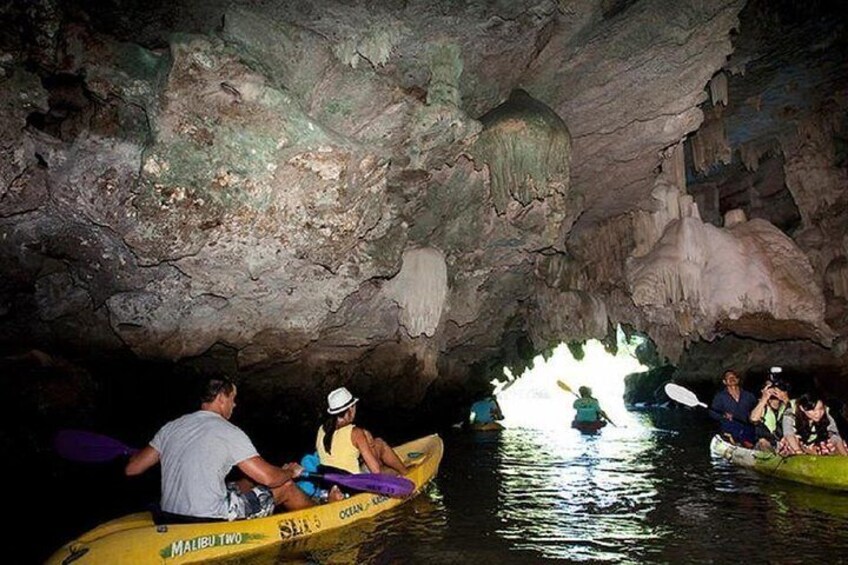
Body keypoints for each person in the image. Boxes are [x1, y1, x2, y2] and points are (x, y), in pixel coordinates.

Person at [125, 376, 314, 522]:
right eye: (233, 398)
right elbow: (270, 479)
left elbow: (132, 468)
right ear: (222, 397)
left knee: (247, 481)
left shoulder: (172, 427)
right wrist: (289, 471)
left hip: (170, 514)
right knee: (285, 486)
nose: (235, 404)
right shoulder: (228, 431)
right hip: (208, 519)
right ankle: (322, 515)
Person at [316, 387, 408, 480]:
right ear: (351, 409)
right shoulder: (355, 433)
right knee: (380, 445)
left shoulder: (322, 429)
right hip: (355, 483)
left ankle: (399, 470)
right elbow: (376, 471)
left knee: (375, 445)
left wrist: (364, 434)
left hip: (332, 482)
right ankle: (406, 473)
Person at [780, 393, 848, 456]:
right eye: (813, 410)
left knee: (839, 444)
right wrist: (799, 452)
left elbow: (835, 435)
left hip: (814, 444)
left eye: (820, 408)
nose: (818, 413)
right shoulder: (790, 413)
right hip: (797, 443)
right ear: (802, 408)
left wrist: (845, 455)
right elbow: (788, 434)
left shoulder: (826, 414)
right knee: (789, 443)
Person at [710, 369, 757, 447]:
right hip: (730, 430)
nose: (732, 379)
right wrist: (723, 415)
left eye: (734, 377)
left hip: (748, 430)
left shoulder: (749, 396)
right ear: (724, 382)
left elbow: (756, 409)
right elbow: (712, 413)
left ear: (738, 380)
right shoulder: (719, 397)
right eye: (729, 378)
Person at [749, 374, 790, 452]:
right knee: (763, 443)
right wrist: (764, 398)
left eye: (776, 388)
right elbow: (753, 419)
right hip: (765, 444)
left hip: (784, 443)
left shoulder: (786, 405)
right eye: (770, 388)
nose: (774, 391)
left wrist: (784, 397)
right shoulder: (760, 405)